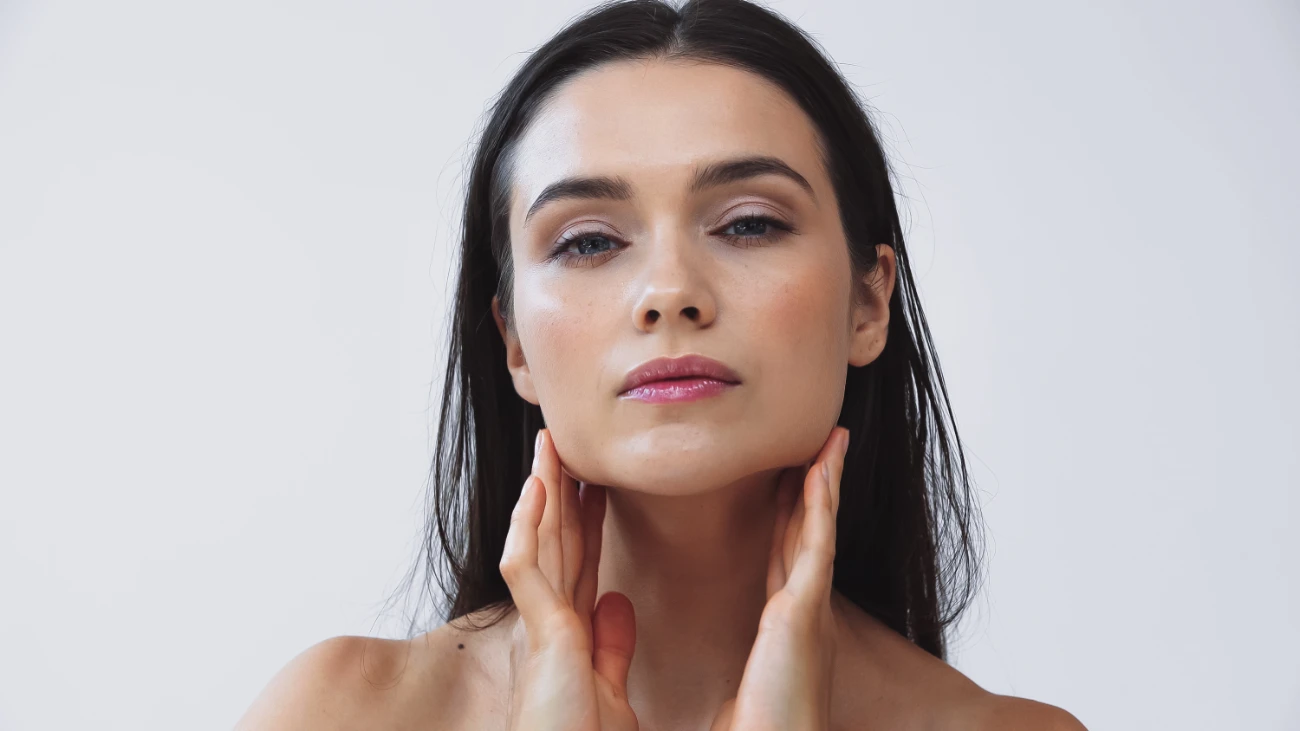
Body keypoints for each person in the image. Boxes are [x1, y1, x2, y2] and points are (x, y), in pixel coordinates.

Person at [238, 0, 1087, 728]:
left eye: (749, 223)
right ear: (514, 343)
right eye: (591, 241)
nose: (670, 291)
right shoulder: (341, 711)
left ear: (869, 303)